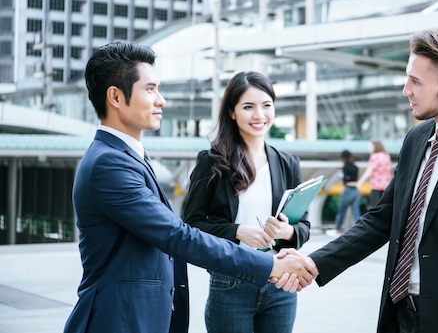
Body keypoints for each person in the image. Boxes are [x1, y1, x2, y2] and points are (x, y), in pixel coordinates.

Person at [282, 26, 438, 333]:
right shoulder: (416, 139)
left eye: (415, 81)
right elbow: (381, 219)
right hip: (399, 316)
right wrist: (315, 263)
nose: (405, 90)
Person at [64, 42, 316, 333]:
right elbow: (178, 234)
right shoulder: (109, 164)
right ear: (116, 97)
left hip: (139, 315)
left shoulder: (126, 156)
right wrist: (269, 266)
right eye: (150, 89)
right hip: (120, 318)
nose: (161, 100)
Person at [183, 71, 311, 333]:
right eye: (248, 107)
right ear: (232, 112)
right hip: (231, 281)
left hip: (280, 282)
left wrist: (288, 232)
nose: (259, 115)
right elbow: (191, 225)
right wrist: (238, 232)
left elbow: (304, 226)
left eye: (266, 105)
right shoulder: (212, 162)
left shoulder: (288, 163)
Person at [325, 149, 361, 238]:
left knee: (342, 211)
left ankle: (337, 230)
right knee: (356, 212)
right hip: (355, 190)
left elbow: (345, 180)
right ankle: (360, 230)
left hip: (348, 189)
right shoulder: (356, 167)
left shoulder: (345, 167)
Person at [356, 139, 392, 209]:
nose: (369, 148)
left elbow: (369, 171)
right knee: (384, 207)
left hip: (376, 186)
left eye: (370, 146)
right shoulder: (386, 156)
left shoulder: (374, 156)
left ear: (375, 146)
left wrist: (359, 183)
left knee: (375, 207)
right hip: (386, 186)